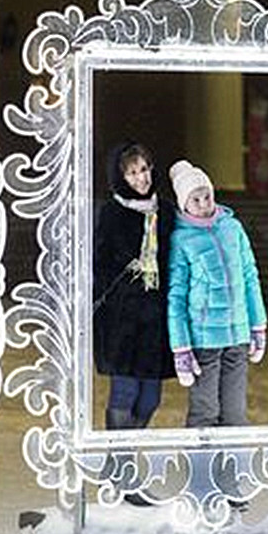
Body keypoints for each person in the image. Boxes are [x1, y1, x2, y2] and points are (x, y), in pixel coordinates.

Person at [167, 159, 267, 428]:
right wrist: (181, 348)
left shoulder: (232, 229)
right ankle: (200, 469)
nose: (203, 203)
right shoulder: (181, 240)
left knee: (235, 414)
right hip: (204, 342)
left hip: (238, 336)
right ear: (183, 204)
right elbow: (175, 297)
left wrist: (258, 326)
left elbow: (249, 277)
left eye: (206, 196)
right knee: (205, 412)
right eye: (195, 199)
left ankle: (236, 469)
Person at [93, 141, 175, 431]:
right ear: (120, 178)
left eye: (145, 169)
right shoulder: (112, 212)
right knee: (125, 393)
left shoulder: (166, 211)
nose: (142, 178)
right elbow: (100, 264)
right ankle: (119, 465)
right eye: (132, 173)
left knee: (150, 399)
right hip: (122, 320)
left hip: (157, 321)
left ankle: (127, 450)